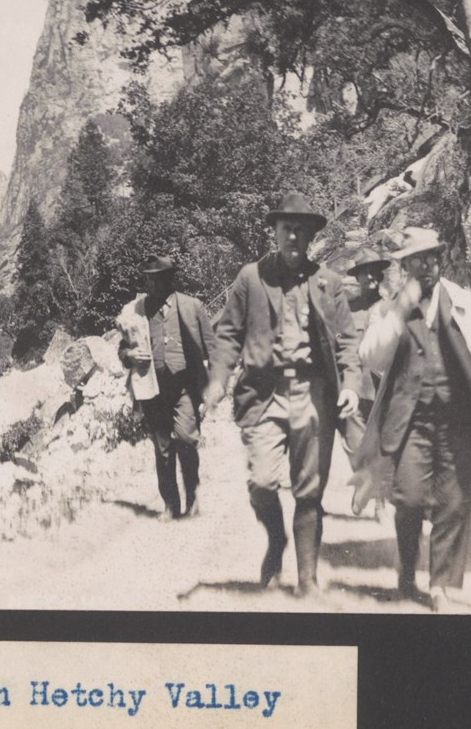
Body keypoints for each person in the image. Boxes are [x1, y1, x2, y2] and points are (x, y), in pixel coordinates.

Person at [353, 227, 471, 611]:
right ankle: (407, 575)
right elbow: (372, 358)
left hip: (459, 420)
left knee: (453, 502)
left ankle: (441, 585)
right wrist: (399, 310)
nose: (426, 266)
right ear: (406, 266)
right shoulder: (389, 309)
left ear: (440, 260)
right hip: (411, 422)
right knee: (409, 498)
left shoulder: (466, 304)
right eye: (417, 260)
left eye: (432, 257)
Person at [203, 193, 361, 597]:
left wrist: (352, 387)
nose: (293, 235)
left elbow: (347, 342)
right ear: (274, 232)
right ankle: (276, 540)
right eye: (286, 228)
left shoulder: (329, 282)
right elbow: (227, 335)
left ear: (310, 236)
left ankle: (307, 580)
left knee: (309, 491)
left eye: (301, 230)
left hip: (313, 395)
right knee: (261, 482)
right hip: (264, 395)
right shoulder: (250, 278)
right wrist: (218, 379)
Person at [117, 255, 216, 519]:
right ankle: (171, 505)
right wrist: (130, 356)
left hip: (185, 387)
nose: (152, 284)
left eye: (158, 278)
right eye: (148, 278)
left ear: (170, 279)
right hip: (153, 389)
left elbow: (213, 347)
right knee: (162, 449)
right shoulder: (136, 311)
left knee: (186, 438)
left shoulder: (192, 306)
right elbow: (123, 349)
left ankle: (193, 497)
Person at [340, 248, 392, 468]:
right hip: (354, 389)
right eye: (365, 273)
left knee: (385, 443)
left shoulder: (389, 309)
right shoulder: (346, 310)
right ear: (357, 277)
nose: (370, 277)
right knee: (355, 445)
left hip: (383, 389)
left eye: (374, 272)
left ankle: (382, 496)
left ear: (380, 276)